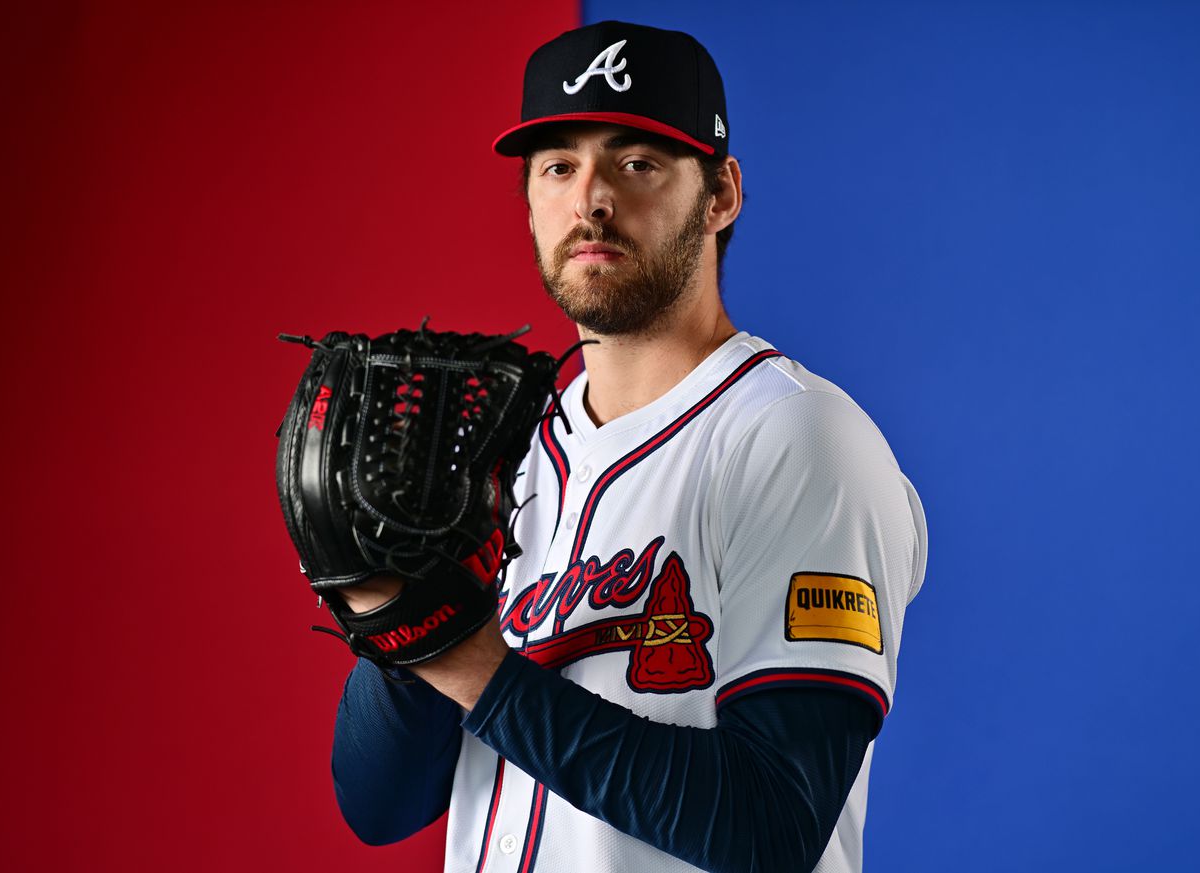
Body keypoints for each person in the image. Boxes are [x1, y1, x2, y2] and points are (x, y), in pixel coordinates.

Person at [329, 20, 927, 873]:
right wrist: (394, 624)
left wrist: (470, 663)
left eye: (636, 162)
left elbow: (773, 824)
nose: (591, 199)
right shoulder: (506, 456)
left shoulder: (797, 437)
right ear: (530, 199)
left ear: (720, 195)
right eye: (559, 166)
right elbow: (381, 807)